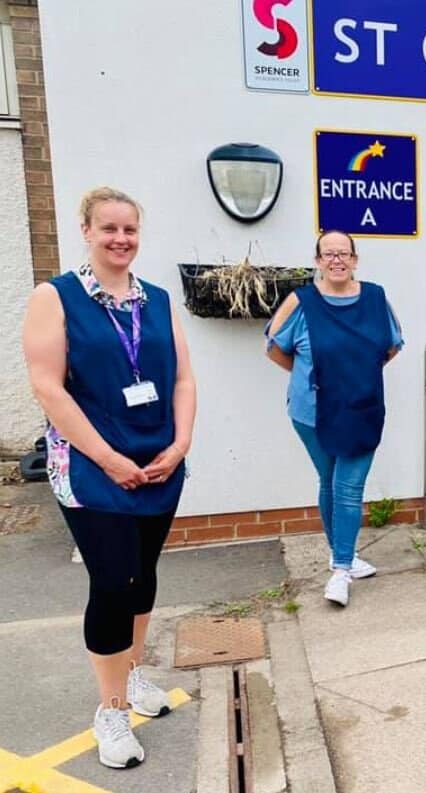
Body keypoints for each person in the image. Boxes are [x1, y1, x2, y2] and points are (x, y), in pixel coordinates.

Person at [22, 187, 196, 768]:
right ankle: (111, 711)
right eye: (109, 229)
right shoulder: (57, 297)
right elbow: (48, 387)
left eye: (130, 229)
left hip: (157, 463)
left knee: (142, 576)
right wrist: (107, 458)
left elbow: (182, 380)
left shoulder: (160, 300)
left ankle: (133, 673)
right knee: (113, 584)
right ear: (86, 230)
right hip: (92, 471)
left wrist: (180, 443)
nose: (121, 239)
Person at [266, 231, 402, 608]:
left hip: (363, 408)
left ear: (355, 260)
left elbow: (390, 347)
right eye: (329, 254)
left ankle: (341, 568)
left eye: (344, 253)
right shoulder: (302, 302)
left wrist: (352, 376)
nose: (337, 260)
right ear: (318, 261)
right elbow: (274, 349)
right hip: (313, 413)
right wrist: (314, 375)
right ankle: (341, 554)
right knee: (329, 480)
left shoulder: (375, 298)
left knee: (348, 487)